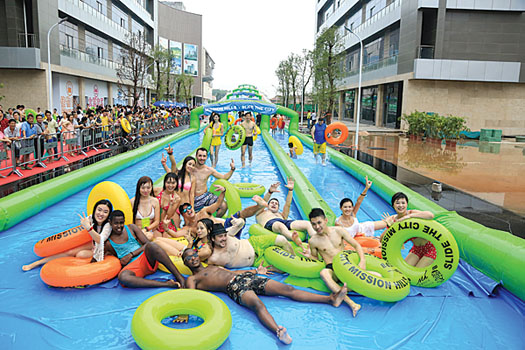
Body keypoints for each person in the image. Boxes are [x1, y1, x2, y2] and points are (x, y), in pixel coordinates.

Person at [182, 248, 348, 345]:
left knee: (287, 289)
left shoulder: (211, 265)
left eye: (194, 254)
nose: (193, 257)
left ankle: (330, 299)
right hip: (233, 287)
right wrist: (184, 313)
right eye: (188, 257)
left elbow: (232, 272)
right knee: (257, 304)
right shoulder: (193, 278)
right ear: (185, 263)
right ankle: (278, 331)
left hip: (243, 277)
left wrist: (255, 271)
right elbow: (190, 297)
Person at [22, 199, 113, 271]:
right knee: (70, 252)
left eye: (105, 212)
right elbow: (85, 223)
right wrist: (85, 224)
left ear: (108, 214)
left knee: (81, 254)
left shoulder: (108, 225)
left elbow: (100, 240)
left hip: (102, 248)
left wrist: (88, 227)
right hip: (92, 244)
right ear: (95, 210)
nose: (101, 214)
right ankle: (37, 263)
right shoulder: (92, 218)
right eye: (99, 210)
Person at [307, 208, 366, 317]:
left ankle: (343, 289)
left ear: (326, 220)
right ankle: (352, 303)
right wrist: (309, 256)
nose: (317, 227)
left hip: (345, 265)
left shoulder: (339, 231)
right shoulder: (313, 241)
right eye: (313, 224)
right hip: (331, 268)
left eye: (319, 222)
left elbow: (356, 245)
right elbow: (316, 259)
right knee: (323, 273)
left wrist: (362, 261)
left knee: (377, 275)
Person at [104, 210, 186, 288]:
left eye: (121, 223)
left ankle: (179, 276)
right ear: (110, 223)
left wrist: (131, 254)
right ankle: (165, 284)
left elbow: (147, 244)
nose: (119, 226)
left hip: (145, 258)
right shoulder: (108, 242)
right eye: (116, 223)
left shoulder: (131, 228)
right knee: (123, 277)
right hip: (132, 267)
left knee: (152, 245)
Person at [256, 179, 315, 250]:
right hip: (270, 223)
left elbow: (288, 204)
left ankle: (318, 240)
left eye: (276, 203)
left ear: (278, 208)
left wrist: (290, 190)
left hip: (284, 222)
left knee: (308, 223)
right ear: (267, 206)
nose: (274, 204)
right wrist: (270, 192)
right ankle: (293, 238)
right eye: (272, 203)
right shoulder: (261, 212)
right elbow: (262, 202)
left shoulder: (282, 215)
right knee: (280, 225)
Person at [207, 220, 294, 268]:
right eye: (220, 237)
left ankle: (295, 258)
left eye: (224, 236)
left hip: (255, 243)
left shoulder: (228, 234)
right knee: (282, 269)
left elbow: (241, 224)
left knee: (281, 239)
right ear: (213, 238)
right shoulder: (213, 258)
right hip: (255, 262)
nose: (224, 239)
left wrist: (238, 222)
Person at [380, 192, 435, 268]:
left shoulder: (412, 213)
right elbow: (382, 239)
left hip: (430, 248)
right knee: (404, 271)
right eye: (397, 203)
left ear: (406, 204)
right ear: (393, 205)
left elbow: (430, 215)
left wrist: (409, 217)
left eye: (403, 203)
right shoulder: (394, 220)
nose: (401, 205)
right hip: (417, 249)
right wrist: (390, 226)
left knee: (416, 273)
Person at [192, 147, 235, 216]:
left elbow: (224, 177)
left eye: (204, 156)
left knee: (224, 206)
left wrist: (232, 169)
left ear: (206, 157)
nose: (202, 158)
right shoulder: (190, 168)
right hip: (192, 198)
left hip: (205, 196)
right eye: (200, 156)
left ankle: (214, 223)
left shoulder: (209, 170)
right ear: (196, 156)